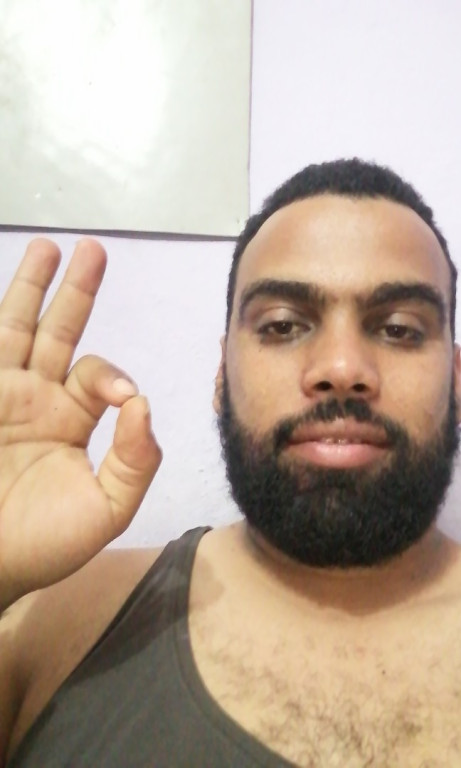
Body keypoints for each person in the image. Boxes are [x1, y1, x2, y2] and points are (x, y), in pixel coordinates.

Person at [1, 157, 460, 767]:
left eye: (399, 329)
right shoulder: (54, 619)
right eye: (283, 325)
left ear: (456, 379)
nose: (342, 368)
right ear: (222, 376)